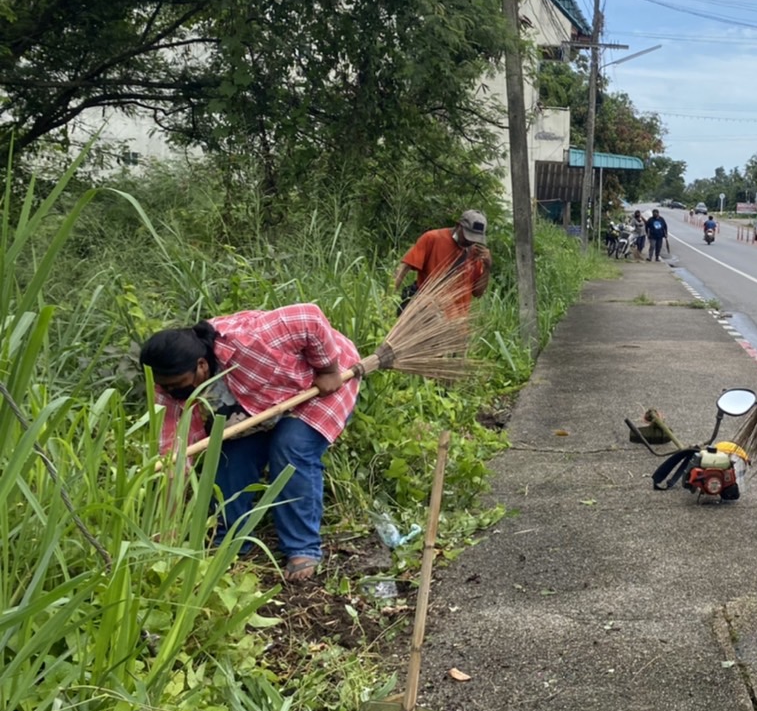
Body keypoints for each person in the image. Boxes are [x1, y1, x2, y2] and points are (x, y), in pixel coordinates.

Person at [139, 304, 361, 582]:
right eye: (165, 387)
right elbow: (175, 450)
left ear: (201, 365)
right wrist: (167, 523)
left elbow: (310, 317)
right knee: (230, 455)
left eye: (177, 384)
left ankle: (302, 547)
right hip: (256, 400)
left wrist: (328, 369)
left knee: (291, 447)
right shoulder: (169, 387)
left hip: (319, 381)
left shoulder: (248, 339)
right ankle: (231, 540)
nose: (172, 391)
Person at [394, 210, 492, 315]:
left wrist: (487, 266)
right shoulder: (432, 238)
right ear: (458, 225)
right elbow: (404, 267)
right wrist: (388, 299)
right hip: (427, 315)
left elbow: (478, 293)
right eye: (468, 236)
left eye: (475, 238)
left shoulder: (475, 253)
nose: (470, 242)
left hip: (458, 323)